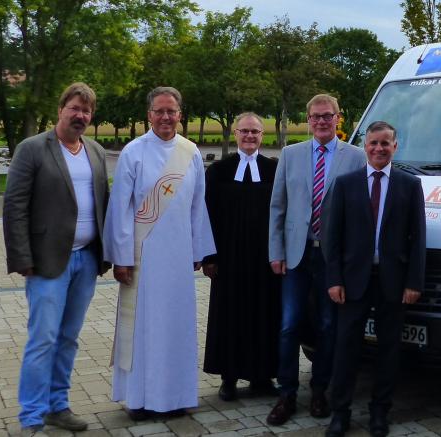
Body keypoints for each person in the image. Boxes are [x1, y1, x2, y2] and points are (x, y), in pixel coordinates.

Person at [3, 82, 111, 437]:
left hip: (86, 262)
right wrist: (21, 256)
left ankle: (57, 406)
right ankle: (32, 417)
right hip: (47, 263)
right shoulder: (32, 149)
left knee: (68, 338)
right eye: (75, 108)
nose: (80, 116)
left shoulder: (95, 151)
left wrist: (106, 254)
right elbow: (15, 206)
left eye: (87, 111)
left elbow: (102, 203)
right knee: (43, 339)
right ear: (61, 108)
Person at [103, 86, 215, 420]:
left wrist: (199, 249)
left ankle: (176, 397)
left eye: (172, 111)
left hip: (179, 257)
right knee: (145, 329)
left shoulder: (191, 152)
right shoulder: (133, 152)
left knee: (176, 327)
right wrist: (121, 257)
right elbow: (120, 208)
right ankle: (140, 400)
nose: (166, 117)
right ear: (148, 114)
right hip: (144, 257)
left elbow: (198, 205)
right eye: (159, 111)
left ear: (181, 113)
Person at [267, 94, 367, 425]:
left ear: (339, 119)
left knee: (327, 326)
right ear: (307, 120)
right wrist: (276, 252)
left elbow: (359, 212)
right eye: (315, 117)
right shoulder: (290, 155)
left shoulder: (355, 157)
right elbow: (278, 207)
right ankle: (287, 393)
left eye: (328, 116)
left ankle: (321, 389)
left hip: (331, 257)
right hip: (296, 254)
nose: (321, 122)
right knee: (288, 325)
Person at [321, 121, 426, 437]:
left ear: (396, 146)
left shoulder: (410, 185)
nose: (379, 149)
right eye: (373, 143)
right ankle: (340, 412)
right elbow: (332, 237)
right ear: (364, 146)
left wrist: (414, 282)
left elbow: (417, 238)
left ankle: (380, 412)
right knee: (346, 349)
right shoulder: (345, 184)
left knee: (388, 350)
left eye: (385, 143)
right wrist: (334, 279)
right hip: (352, 282)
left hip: (392, 282)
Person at [202, 112, 281, 401]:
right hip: (229, 258)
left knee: (264, 314)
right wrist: (209, 257)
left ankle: (262, 377)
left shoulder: (274, 169)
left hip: (265, 259)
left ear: (263, 136)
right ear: (235, 134)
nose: (250, 136)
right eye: (245, 131)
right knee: (230, 315)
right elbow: (206, 215)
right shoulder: (219, 171)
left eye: (255, 132)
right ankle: (229, 378)